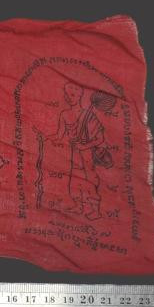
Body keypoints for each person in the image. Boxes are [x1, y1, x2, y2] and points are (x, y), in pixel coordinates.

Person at [47, 82, 105, 220]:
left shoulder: (89, 116)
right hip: (73, 154)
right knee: (74, 181)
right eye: (67, 95)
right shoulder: (64, 114)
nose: (69, 98)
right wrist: (45, 138)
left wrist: (84, 146)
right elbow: (59, 136)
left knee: (90, 181)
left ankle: (95, 211)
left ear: (79, 96)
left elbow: (100, 139)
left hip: (86, 155)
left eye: (72, 95)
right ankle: (79, 206)